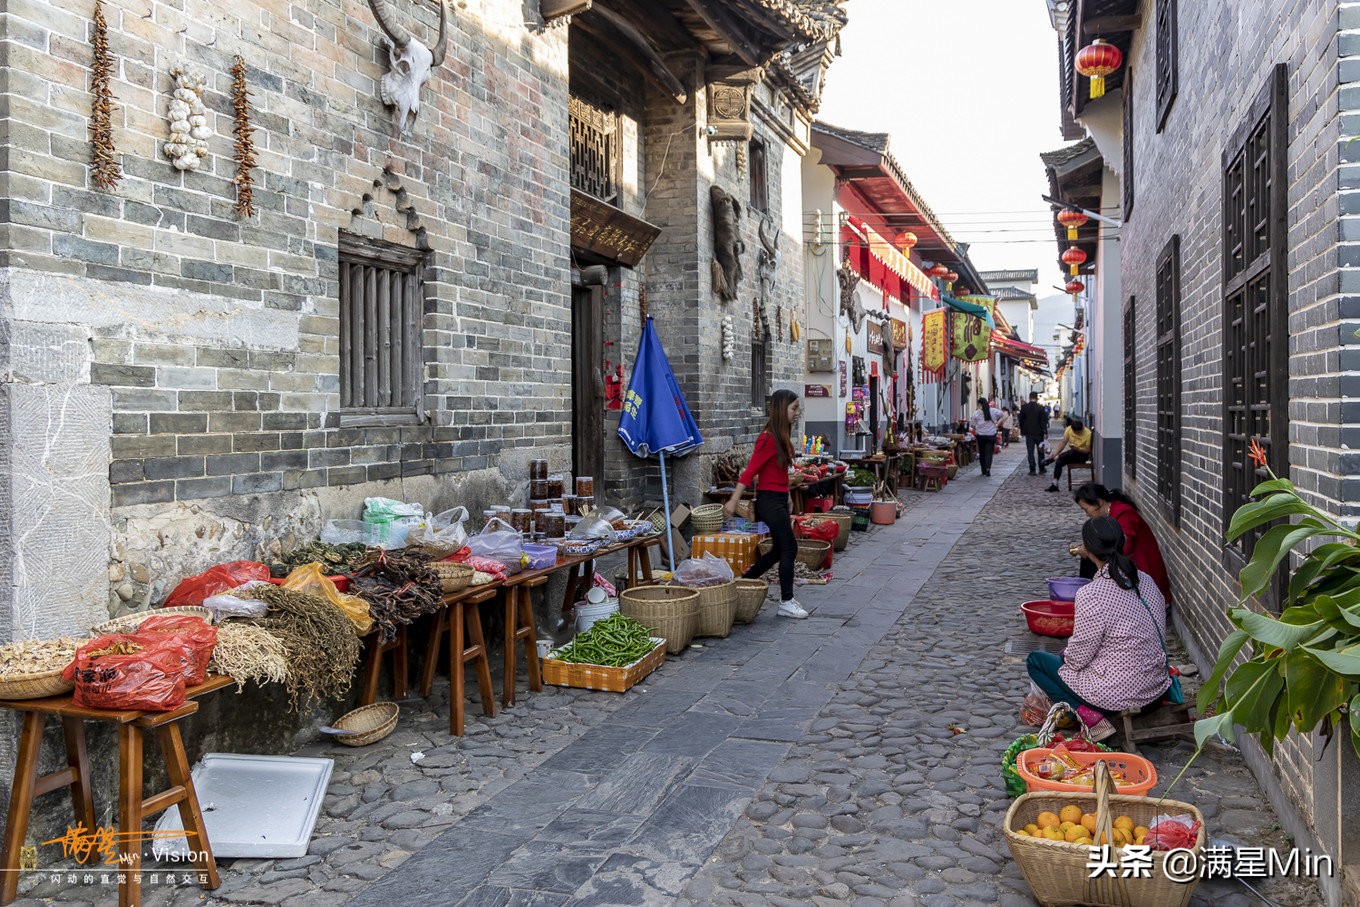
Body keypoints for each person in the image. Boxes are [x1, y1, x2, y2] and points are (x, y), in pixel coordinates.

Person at [1026, 515, 1173, 741]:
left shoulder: (1092, 593)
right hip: (1156, 689)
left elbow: (1077, 659)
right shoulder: (1146, 580)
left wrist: (1065, 654)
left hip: (1118, 696)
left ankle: (1091, 719)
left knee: (1036, 660)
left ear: (1087, 549)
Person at [724, 389, 807, 619]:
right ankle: (786, 601)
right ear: (782, 410)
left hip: (778, 498)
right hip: (769, 501)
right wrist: (733, 501)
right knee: (790, 547)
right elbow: (750, 472)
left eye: (797, 408)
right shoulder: (767, 438)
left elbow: (780, 473)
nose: (796, 413)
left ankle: (744, 583)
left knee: (779, 550)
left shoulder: (781, 436)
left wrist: (789, 496)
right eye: (793, 408)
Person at [1072, 483, 1173, 606]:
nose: (1086, 514)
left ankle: (1095, 599)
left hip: (1141, 566)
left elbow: (1124, 547)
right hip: (1125, 560)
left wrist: (1091, 550)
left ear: (1098, 502)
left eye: (1085, 509)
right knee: (1089, 557)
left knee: (1091, 557)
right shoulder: (1109, 514)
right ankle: (1093, 596)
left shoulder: (1124, 513)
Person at [1044, 417, 1093, 491]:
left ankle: (1054, 458)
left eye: (1079, 432)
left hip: (1082, 456)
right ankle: (1055, 484)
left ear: (1082, 428)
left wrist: (1078, 449)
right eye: (1075, 433)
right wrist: (1055, 452)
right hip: (1071, 455)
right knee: (1059, 462)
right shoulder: (1069, 429)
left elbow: (1088, 450)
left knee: (1073, 451)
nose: (1077, 434)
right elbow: (1063, 442)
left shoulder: (1088, 433)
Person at [970, 396, 1004, 477]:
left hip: (981, 435)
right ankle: (988, 468)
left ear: (979, 404)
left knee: (982, 453)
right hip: (991, 435)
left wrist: (978, 427)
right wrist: (997, 423)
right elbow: (1002, 414)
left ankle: (983, 470)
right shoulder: (993, 411)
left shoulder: (976, 413)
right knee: (989, 453)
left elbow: (973, 424)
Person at [1018, 392, 1048, 476]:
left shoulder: (1024, 407)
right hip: (1039, 433)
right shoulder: (1040, 408)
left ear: (1029, 397)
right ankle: (1041, 468)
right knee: (1040, 451)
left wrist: (1022, 430)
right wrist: (1045, 432)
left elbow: (1021, 420)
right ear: (1037, 398)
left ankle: (1032, 469)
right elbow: (1043, 421)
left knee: (1030, 451)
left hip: (1029, 432)